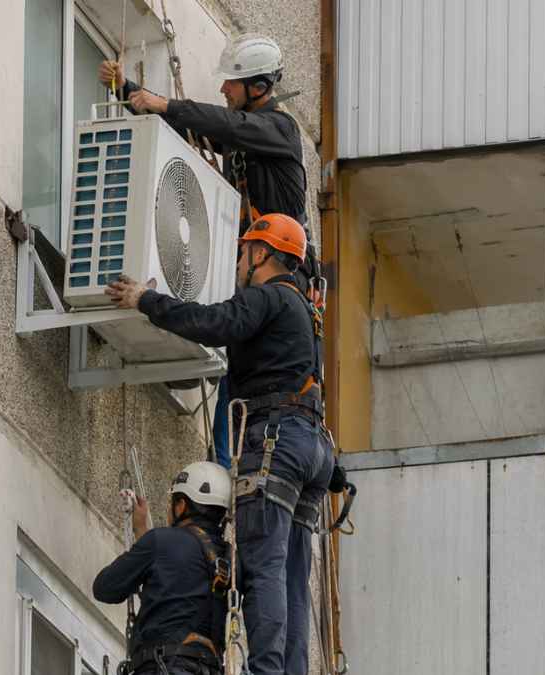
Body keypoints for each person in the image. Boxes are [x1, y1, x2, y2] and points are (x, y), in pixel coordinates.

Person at [104, 213, 336, 675]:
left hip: (277, 439)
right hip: (311, 447)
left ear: (262, 254)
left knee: (265, 566)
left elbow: (215, 323)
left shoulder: (268, 297)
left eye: (244, 252)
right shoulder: (304, 314)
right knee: (293, 576)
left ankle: (267, 671)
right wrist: (337, 472)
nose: (239, 263)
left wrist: (146, 300)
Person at [98, 34, 316, 469]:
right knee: (235, 360)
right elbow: (196, 130)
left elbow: (228, 125)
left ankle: (229, 463)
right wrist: (129, 92)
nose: (223, 89)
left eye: (231, 83)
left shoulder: (280, 130)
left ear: (258, 87)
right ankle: (225, 461)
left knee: (240, 361)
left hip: (281, 273)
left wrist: (164, 102)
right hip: (254, 271)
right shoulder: (247, 137)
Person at [94, 461, 233, 675]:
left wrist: (144, 544)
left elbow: (105, 587)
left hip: (164, 666)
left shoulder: (160, 541)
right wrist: (142, 533)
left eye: (172, 502)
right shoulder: (228, 561)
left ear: (182, 506)